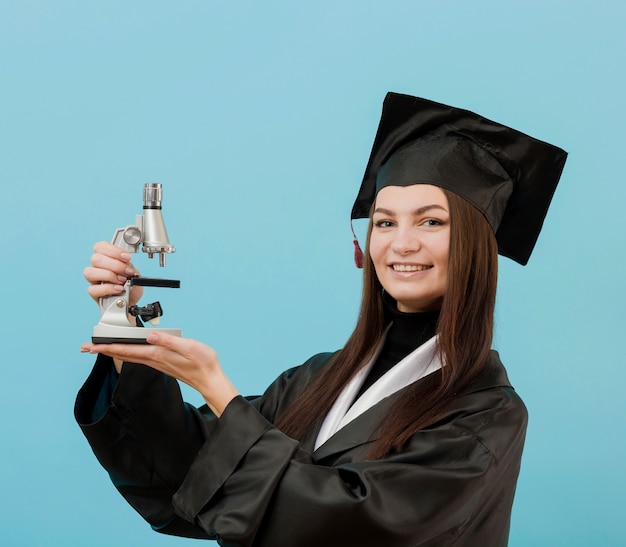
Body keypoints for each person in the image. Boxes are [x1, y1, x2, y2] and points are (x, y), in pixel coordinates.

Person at [76, 93, 567, 546]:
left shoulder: (486, 414)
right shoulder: (317, 379)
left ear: (476, 246)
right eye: (385, 221)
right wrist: (126, 337)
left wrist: (219, 391)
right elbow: (188, 475)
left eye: (431, 221)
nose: (401, 244)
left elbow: (352, 525)